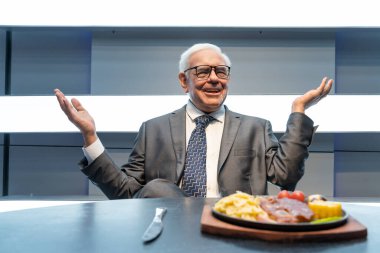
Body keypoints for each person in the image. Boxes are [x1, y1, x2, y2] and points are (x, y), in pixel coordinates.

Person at [54, 43, 333, 199]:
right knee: (157, 190)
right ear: (183, 80)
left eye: (221, 72)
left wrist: (299, 110)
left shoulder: (256, 128)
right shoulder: (153, 130)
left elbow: (286, 177)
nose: (214, 78)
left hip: (233, 233)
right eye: (202, 71)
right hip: (168, 236)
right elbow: (126, 193)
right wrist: (90, 137)